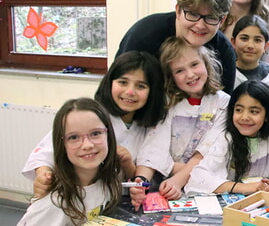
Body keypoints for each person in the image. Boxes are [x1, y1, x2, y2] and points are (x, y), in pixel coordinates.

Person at [22, 51, 167, 197]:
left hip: (114, 201)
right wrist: (43, 175)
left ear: (152, 92)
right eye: (123, 82)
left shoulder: (150, 127)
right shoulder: (89, 115)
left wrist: (128, 165)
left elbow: (141, 173)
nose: (130, 92)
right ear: (110, 82)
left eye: (141, 86)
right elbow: (44, 155)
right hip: (75, 197)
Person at [130, 36, 230, 210]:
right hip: (165, 187)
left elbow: (208, 151)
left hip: (203, 185)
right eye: (179, 71)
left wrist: (177, 179)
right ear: (171, 77)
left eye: (194, 65)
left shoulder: (223, 103)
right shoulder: (169, 104)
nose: (190, 74)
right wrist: (141, 182)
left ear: (206, 63)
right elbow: (154, 147)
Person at [115, 0, 236, 94]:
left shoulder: (224, 51)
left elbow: (224, 105)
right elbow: (120, 90)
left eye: (211, 18)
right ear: (178, 11)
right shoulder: (144, 37)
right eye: (193, 14)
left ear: (222, 20)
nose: (200, 25)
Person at [185, 80, 269, 195]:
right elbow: (198, 177)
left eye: (254, 111)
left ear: (267, 115)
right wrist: (244, 188)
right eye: (239, 110)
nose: (244, 117)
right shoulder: (226, 139)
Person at [17, 98, 121, 226]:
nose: (87, 145)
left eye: (95, 133)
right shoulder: (54, 203)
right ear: (61, 144)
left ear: (108, 135)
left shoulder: (108, 181)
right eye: (74, 137)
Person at [231, 14, 269, 90]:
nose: (250, 46)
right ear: (233, 42)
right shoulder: (224, 73)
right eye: (244, 38)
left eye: (257, 40)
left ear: (266, 46)